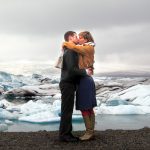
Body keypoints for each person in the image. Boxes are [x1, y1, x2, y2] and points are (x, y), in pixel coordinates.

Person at [62, 31, 97, 141]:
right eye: (77, 37)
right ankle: (90, 131)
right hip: (83, 79)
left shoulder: (88, 47)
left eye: (80, 37)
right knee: (87, 106)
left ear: (86, 39)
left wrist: (65, 43)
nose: (79, 39)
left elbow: (75, 48)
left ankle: (89, 132)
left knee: (85, 106)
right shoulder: (82, 47)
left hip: (85, 80)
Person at [59, 31, 87, 142]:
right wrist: (84, 73)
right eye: (75, 36)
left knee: (67, 109)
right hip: (67, 83)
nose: (77, 38)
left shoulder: (69, 50)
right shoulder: (70, 51)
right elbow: (72, 69)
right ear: (70, 38)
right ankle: (64, 135)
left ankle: (66, 133)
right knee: (67, 110)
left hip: (68, 83)